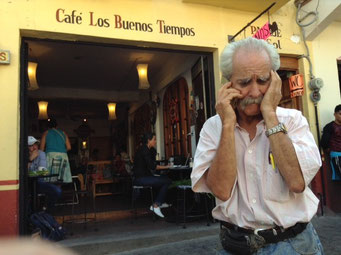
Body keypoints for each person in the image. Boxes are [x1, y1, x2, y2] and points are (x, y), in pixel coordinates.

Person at [191, 37, 324, 254]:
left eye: (263, 81)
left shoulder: (293, 120)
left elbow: (297, 182)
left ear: (274, 81)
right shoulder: (213, 128)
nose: (255, 92)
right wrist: (227, 125)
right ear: (228, 83)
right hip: (236, 246)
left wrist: (270, 115)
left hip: (293, 245)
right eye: (244, 83)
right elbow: (222, 191)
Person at [132, 132, 172, 218]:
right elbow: (153, 166)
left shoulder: (145, 149)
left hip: (143, 177)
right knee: (167, 181)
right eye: (154, 139)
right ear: (148, 140)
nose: (156, 141)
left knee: (164, 178)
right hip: (140, 179)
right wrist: (167, 167)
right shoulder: (144, 150)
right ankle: (156, 205)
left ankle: (160, 201)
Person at [28, 136, 62, 212]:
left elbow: (43, 172)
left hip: (39, 183)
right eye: (31, 145)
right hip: (26, 185)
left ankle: (46, 212)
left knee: (57, 191)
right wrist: (30, 159)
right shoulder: (23, 155)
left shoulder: (41, 154)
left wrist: (30, 173)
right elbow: (22, 174)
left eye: (35, 144)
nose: (34, 147)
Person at [40, 118, 72, 183]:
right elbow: (69, 147)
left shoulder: (46, 133)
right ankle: (58, 191)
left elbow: (41, 149)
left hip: (51, 156)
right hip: (63, 157)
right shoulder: (63, 133)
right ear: (57, 126)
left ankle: (52, 191)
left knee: (50, 179)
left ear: (48, 127)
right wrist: (61, 150)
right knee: (60, 179)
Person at [321, 104, 341, 180]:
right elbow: (324, 142)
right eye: (340, 114)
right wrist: (329, 150)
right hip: (337, 156)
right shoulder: (330, 126)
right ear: (335, 114)